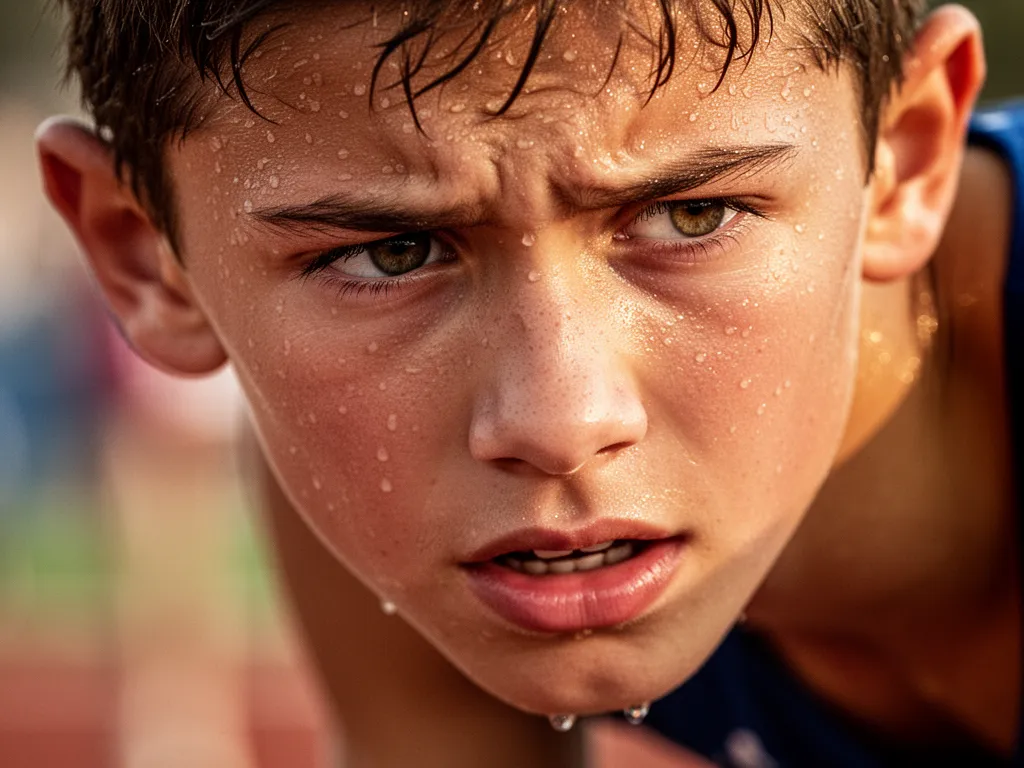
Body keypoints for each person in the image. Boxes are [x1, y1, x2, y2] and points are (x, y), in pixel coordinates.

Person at [35, 0, 1021, 765]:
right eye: (391, 254)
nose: (554, 422)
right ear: (147, 260)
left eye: (689, 215)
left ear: (900, 162)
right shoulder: (375, 462)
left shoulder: (416, 451)